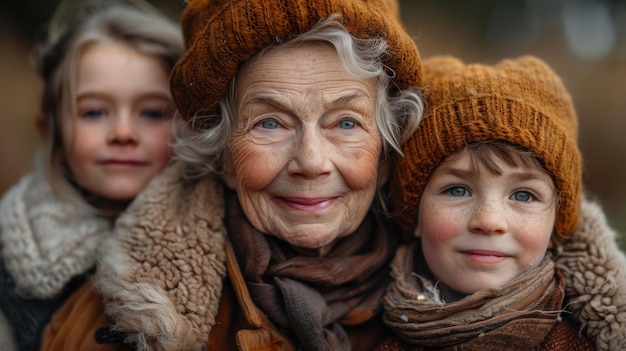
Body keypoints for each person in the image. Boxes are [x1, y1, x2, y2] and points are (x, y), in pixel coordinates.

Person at [39, 0, 425, 350]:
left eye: (345, 123)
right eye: (270, 123)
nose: (311, 161)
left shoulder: (450, 294)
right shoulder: (122, 315)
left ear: (384, 156)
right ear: (222, 158)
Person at [379, 55, 626, 351]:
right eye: (457, 190)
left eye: (523, 195)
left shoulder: (585, 344)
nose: (489, 220)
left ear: (556, 225)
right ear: (414, 213)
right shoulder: (362, 334)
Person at [0, 1, 184, 350]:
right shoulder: (9, 261)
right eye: (95, 112)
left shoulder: (233, 241)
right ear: (50, 132)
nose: (123, 132)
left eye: (152, 112)